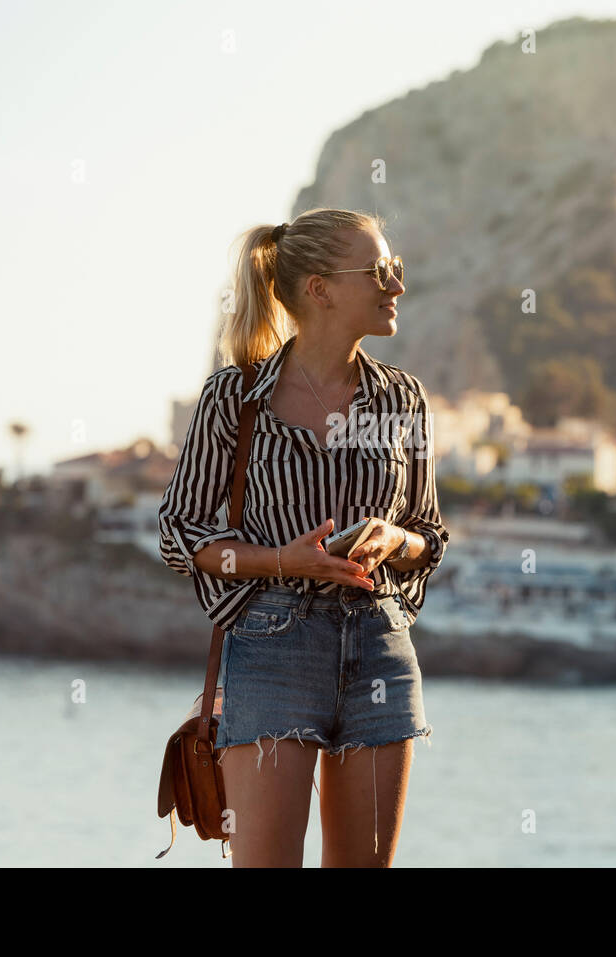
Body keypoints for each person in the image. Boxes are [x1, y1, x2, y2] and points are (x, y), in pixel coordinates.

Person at [158, 207, 450, 867]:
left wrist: (391, 538)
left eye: (396, 270)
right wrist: (284, 560)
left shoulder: (404, 400)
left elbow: (429, 536)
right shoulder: (234, 399)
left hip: (380, 645)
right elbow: (182, 533)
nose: (397, 285)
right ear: (318, 289)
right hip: (270, 647)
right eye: (380, 271)